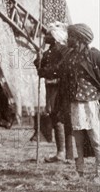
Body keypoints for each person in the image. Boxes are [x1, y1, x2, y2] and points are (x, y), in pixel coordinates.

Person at [59, 24, 100, 182]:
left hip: (90, 103)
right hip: (74, 102)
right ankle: (79, 171)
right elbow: (61, 73)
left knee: (96, 138)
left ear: (81, 39)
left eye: (72, 37)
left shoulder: (94, 56)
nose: (69, 40)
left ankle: (98, 172)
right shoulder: (70, 56)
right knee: (78, 138)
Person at [37, 23, 74, 163]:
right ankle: (62, 153)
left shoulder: (64, 51)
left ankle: (67, 153)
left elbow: (58, 69)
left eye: (48, 35)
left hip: (62, 88)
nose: (45, 37)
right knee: (55, 117)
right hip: (51, 88)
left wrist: (45, 71)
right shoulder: (47, 52)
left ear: (55, 37)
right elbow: (41, 68)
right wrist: (38, 61)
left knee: (63, 118)